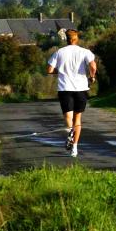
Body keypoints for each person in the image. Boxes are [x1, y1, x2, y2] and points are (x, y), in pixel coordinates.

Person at [46, 29, 97, 157]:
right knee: (77, 118)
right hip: (81, 88)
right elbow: (93, 66)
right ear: (76, 39)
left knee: (68, 117)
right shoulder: (85, 52)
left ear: (66, 39)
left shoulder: (59, 52)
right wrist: (92, 76)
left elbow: (49, 69)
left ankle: (70, 133)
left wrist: (61, 71)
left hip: (65, 88)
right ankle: (75, 147)